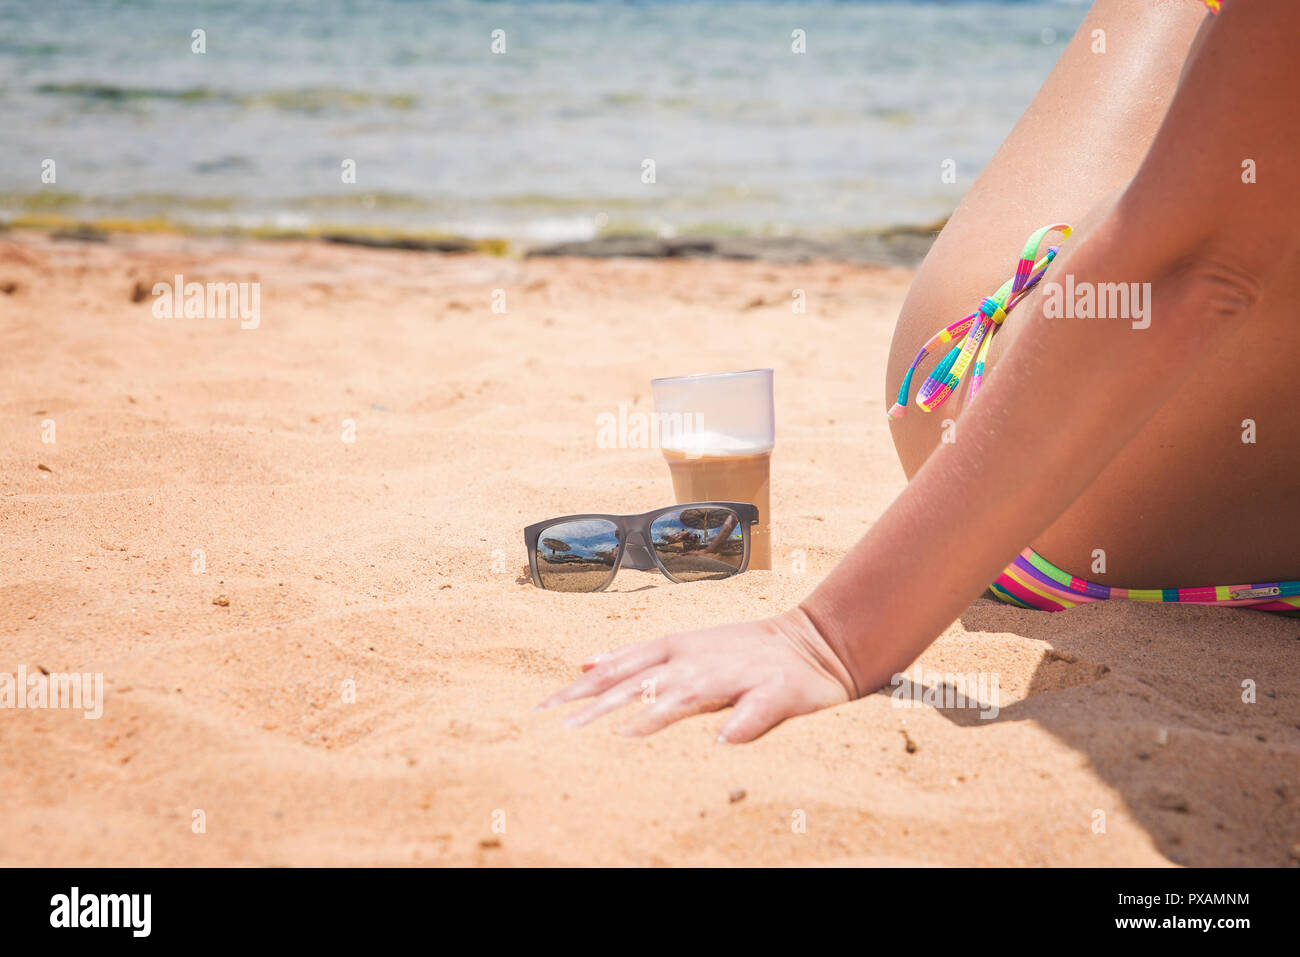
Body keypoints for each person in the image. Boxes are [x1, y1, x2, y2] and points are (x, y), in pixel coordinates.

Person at [538, 0, 1299, 742]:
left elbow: (1196, 264)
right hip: (1062, 462)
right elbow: (1189, 266)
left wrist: (828, 637)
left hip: (1073, 476)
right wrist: (830, 638)